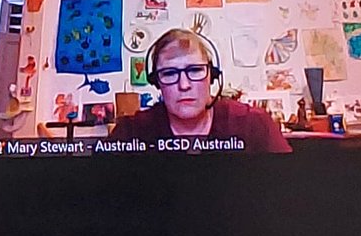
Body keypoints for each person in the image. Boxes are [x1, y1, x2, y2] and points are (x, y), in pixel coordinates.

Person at [109, 28, 291, 153]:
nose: (184, 85)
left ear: (212, 76)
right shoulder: (131, 133)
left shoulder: (254, 126)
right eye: (170, 73)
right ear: (157, 83)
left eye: (195, 70)